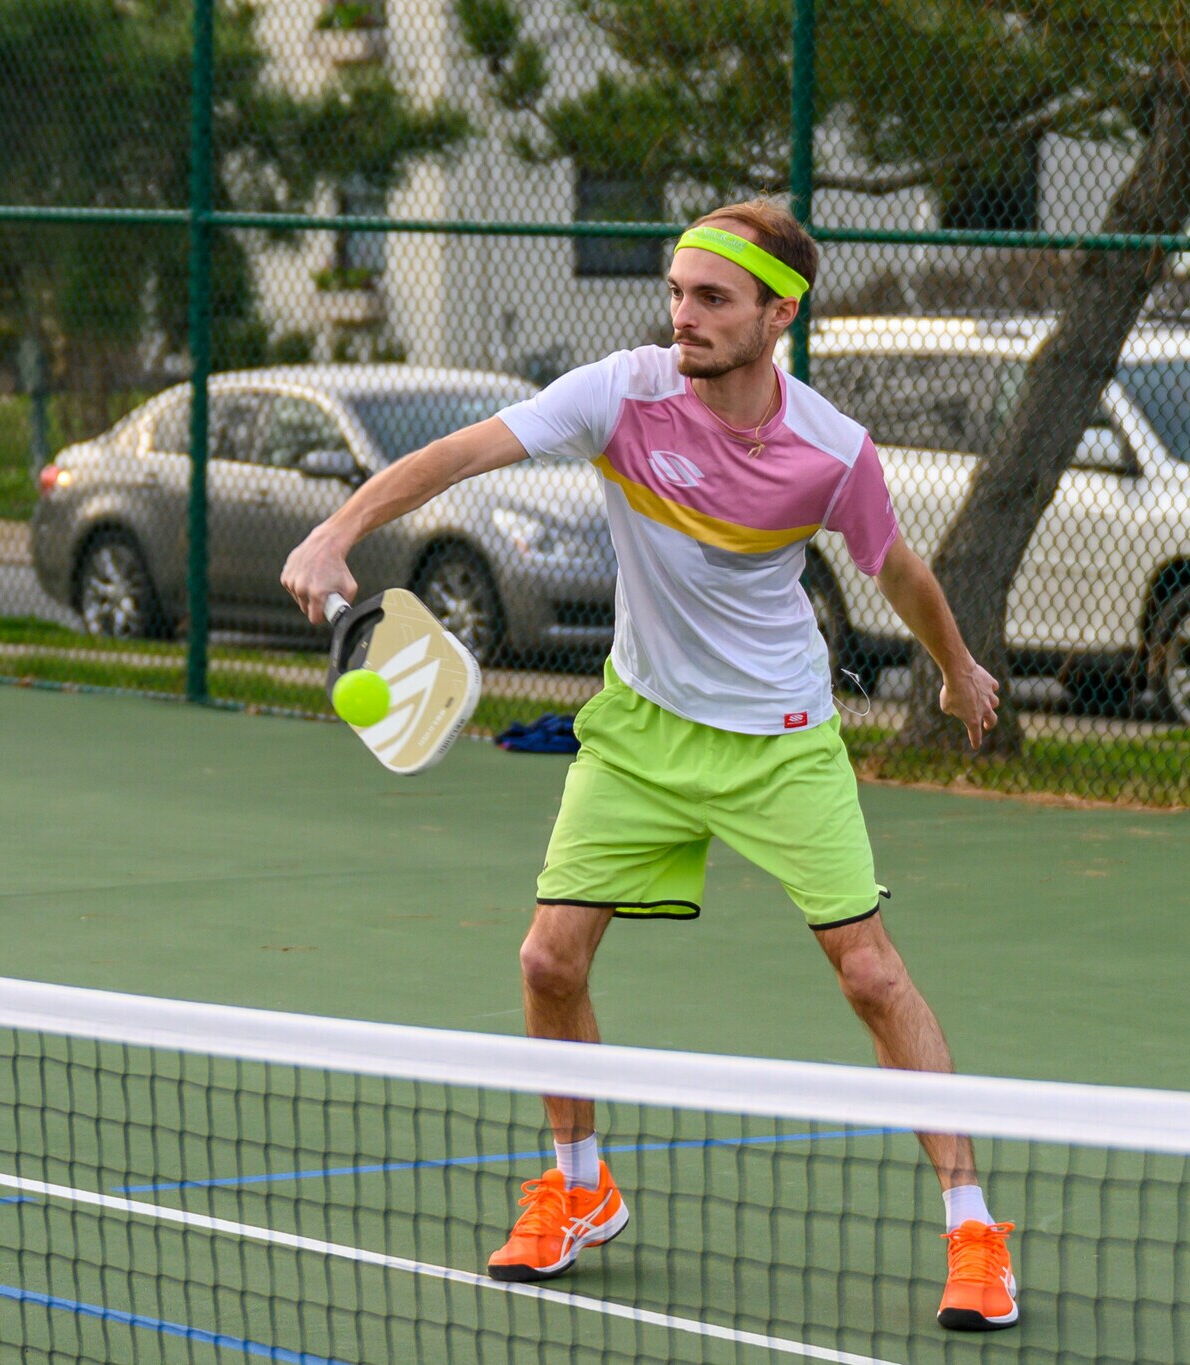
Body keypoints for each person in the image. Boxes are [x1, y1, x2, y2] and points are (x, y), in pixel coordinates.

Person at [280, 199, 1018, 1333]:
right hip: (637, 733)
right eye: (675, 293)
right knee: (545, 962)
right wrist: (337, 530)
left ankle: (973, 1229)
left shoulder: (831, 453)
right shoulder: (621, 393)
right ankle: (579, 1189)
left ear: (779, 311)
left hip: (778, 740)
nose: (683, 317)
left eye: (711, 298)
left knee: (869, 975)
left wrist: (957, 667)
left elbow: (899, 572)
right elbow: (457, 453)